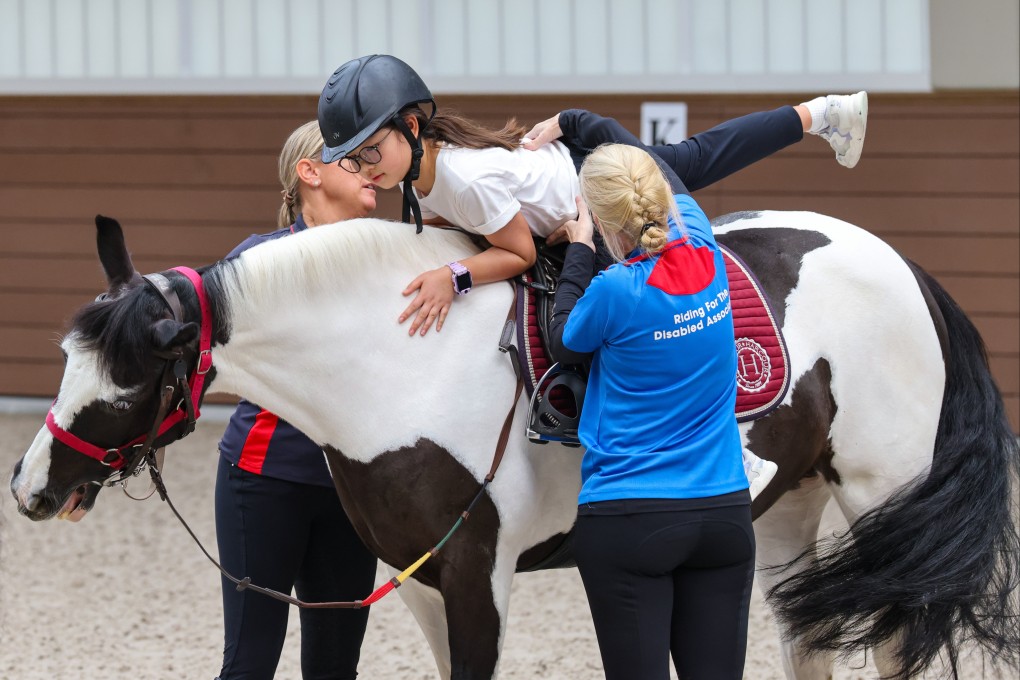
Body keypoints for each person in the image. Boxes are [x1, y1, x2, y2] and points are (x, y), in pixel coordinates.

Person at [316, 54, 867, 338]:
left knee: (641, 311)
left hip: (599, 192)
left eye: (371, 150)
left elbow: (519, 255)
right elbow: (451, 233)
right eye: (354, 156)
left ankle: (736, 436)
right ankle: (820, 114)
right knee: (696, 158)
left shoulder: (463, 179)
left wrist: (453, 278)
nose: (364, 167)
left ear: (412, 128)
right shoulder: (422, 172)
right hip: (581, 172)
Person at [548, 143, 755, 679]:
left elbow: (564, 339)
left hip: (629, 514)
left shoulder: (615, 289)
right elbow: (661, 169)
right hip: (724, 512)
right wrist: (578, 123)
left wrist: (577, 247)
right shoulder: (707, 249)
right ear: (664, 199)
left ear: (598, 218)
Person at [214, 121, 379, 680]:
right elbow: (187, 359)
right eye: (355, 159)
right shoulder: (258, 261)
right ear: (310, 173)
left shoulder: (390, 259)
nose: (374, 168)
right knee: (250, 663)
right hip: (263, 482)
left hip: (353, 490)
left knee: (336, 671)